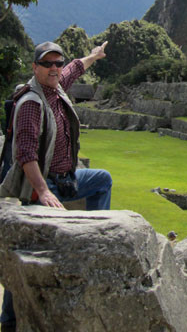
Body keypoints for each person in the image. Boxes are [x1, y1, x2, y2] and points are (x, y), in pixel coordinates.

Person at [0, 41, 113, 332]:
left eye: (57, 63)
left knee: (102, 180)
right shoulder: (30, 103)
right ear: (35, 67)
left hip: (68, 178)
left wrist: (94, 56)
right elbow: (25, 153)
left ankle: (95, 243)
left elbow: (75, 67)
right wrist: (44, 190)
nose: (54, 68)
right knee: (28, 250)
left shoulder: (56, 84)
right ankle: (10, 320)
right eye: (47, 63)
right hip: (42, 183)